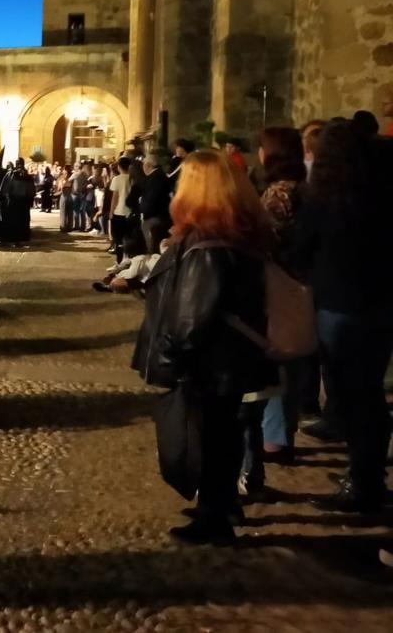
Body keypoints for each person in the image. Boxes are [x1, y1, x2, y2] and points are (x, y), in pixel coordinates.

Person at [132, 150, 276, 546]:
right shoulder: (237, 231)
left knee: (211, 436)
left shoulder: (207, 242)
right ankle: (221, 503)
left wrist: (170, 354)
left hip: (211, 360)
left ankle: (214, 518)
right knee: (224, 432)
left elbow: (194, 315)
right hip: (229, 356)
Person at [292, 121, 393, 513]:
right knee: (371, 395)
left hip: (339, 306)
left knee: (351, 397)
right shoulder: (382, 196)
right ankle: (367, 475)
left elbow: (302, 250)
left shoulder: (324, 199)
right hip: (381, 306)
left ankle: (364, 482)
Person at [252, 128, 308, 468]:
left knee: (277, 366)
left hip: (280, 288)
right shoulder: (308, 190)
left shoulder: (278, 195)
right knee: (294, 364)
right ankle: (281, 434)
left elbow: (264, 243)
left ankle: (275, 440)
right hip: (304, 286)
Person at [139, 154, 171, 254]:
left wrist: (144, 211)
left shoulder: (155, 178)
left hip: (154, 217)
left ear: (148, 165)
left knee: (153, 247)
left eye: (143, 164)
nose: (143, 167)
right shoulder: (158, 176)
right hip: (158, 216)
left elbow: (152, 198)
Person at [0, 158, 35, 246]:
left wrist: (5, 197)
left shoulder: (11, 174)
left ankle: (12, 239)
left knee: (12, 221)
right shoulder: (27, 176)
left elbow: (4, 188)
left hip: (13, 201)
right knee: (21, 221)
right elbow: (32, 191)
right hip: (23, 202)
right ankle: (18, 240)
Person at [107, 156, 134, 262]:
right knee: (129, 238)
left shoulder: (116, 179)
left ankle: (119, 260)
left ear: (119, 167)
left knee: (118, 239)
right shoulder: (133, 178)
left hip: (118, 212)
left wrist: (111, 212)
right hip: (130, 212)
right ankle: (127, 259)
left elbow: (115, 197)